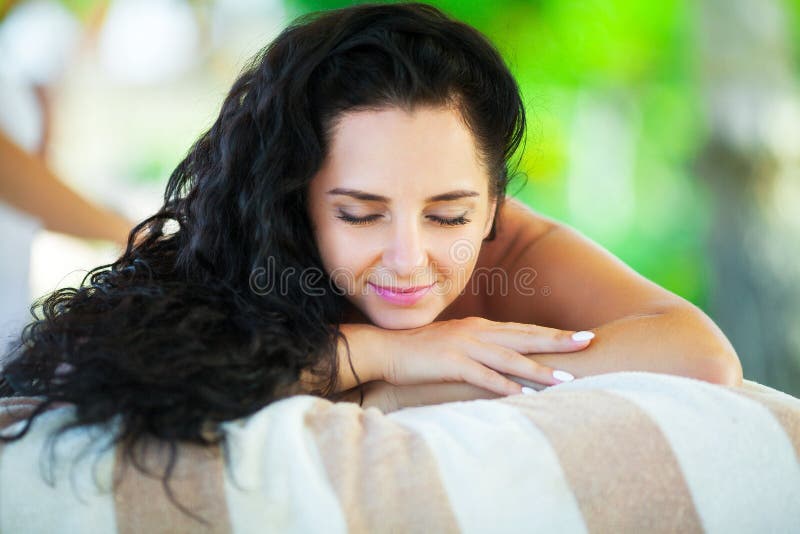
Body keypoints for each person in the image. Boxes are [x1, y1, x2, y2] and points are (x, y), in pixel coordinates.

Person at [1, 2, 742, 455]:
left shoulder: (515, 242)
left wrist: (420, 387)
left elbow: (700, 356)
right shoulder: (254, 238)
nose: (409, 256)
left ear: (492, 202)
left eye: (450, 213)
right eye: (358, 213)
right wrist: (391, 351)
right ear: (296, 198)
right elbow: (123, 372)